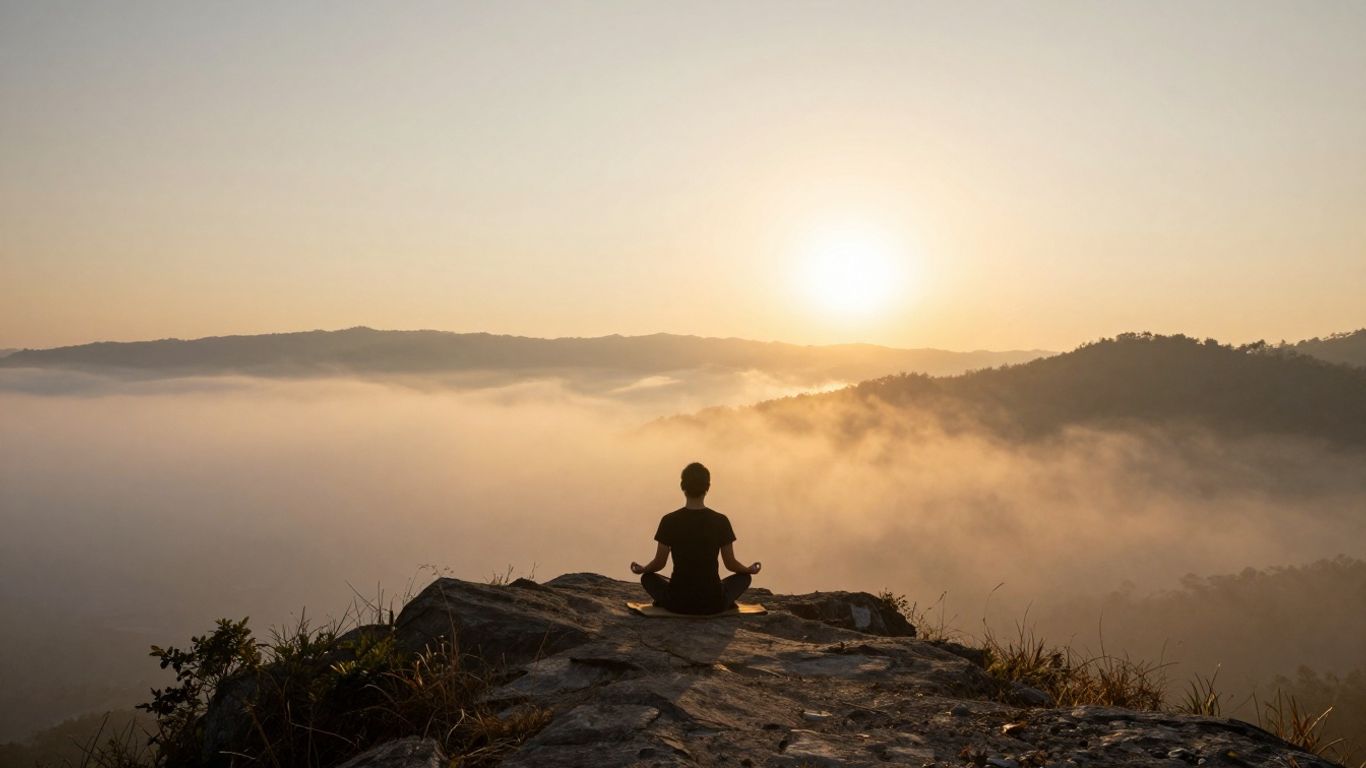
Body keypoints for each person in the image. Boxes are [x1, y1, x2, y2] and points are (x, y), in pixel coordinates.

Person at [630, 462, 761, 614]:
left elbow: (659, 563)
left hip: (677, 602)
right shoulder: (721, 521)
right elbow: (730, 564)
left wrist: (644, 569)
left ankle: (664, 599)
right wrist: (748, 570)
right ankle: (726, 601)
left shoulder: (669, 520)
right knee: (744, 578)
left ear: (683, 487)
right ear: (707, 487)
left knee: (647, 578)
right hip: (713, 603)